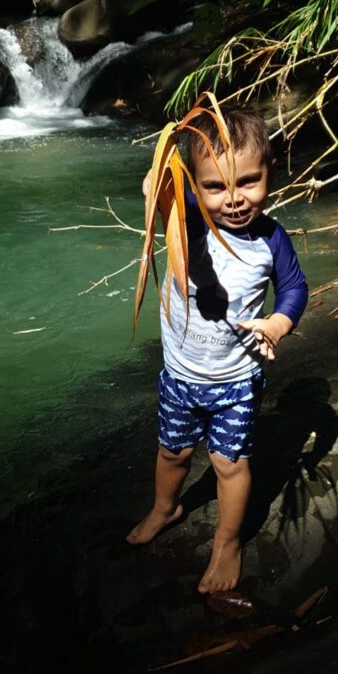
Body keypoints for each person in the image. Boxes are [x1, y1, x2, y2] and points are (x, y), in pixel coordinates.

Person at [126, 107, 308, 594]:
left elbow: (294, 289)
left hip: (235, 383)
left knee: (230, 464)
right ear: (196, 184)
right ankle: (167, 508)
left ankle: (227, 541)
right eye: (215, 186)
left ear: (270, 173)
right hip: (181, 375)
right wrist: (158, 180)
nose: (233, 199)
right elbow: (154, 191)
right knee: (172, 452)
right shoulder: (188, 220)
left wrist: (277, 323)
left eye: (249, 181)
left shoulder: (271, 239)